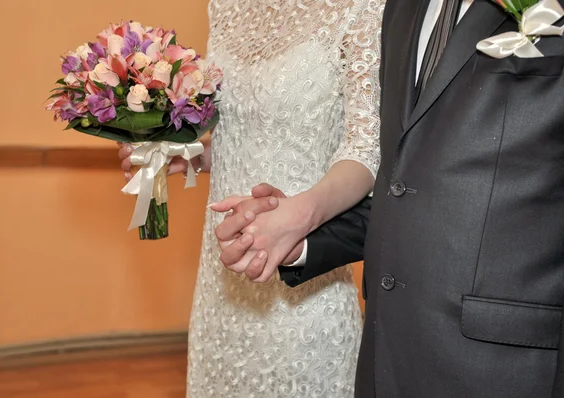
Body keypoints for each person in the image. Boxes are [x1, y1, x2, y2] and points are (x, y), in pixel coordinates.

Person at [213, 0, 564, 396]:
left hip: (506, 362)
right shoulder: (402, 7)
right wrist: (303, 237)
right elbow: (403, 181)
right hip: (388, 347)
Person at [119, 0, 383, 396]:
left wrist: (301, 215)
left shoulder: (362, 8)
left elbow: (366, 151)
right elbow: (242, 133)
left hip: (302, 277)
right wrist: (188, 155)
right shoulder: (227, 6)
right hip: (221, 280)